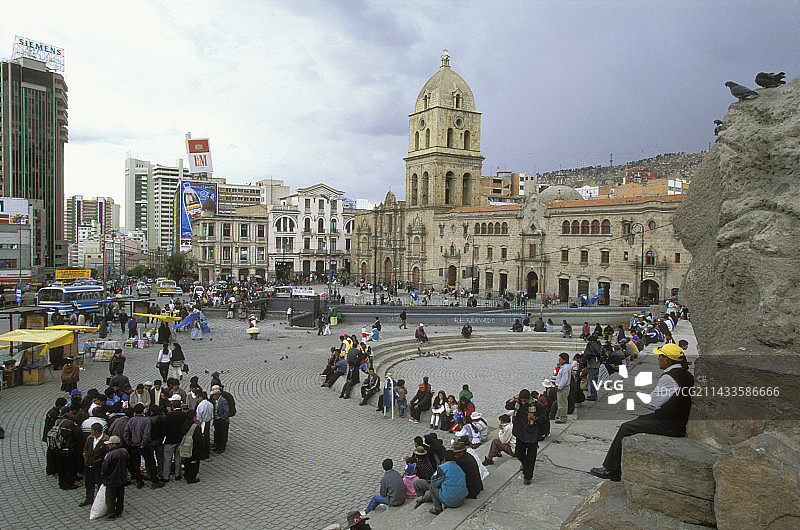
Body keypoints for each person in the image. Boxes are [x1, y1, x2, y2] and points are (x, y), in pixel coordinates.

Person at [590, 343, 695, 482]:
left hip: (669, 423)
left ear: (668, 360)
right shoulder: (685, 374)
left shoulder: (669, 377)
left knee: (626, 428)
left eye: (661, 356)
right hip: (677, 419)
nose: (658, 359)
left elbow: (653, 402)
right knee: (639, 420)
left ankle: (611, 469)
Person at [505, 389, 545, 485]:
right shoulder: (517, 403)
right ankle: (525, 465)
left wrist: (534, 418)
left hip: (532, 434)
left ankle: (528, 476)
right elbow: (507, 405)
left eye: (525, 401)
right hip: (520, 433)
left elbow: (544, 419)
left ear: (529, 399)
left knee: (531, 457)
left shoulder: (537, 405)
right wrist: (515, 397)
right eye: (522, 401)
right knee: (519, 453)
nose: (523, 403)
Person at [415, 450, 468, 515]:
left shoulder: (442, 467)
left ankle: (437, 508)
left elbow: (434, 482)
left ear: (444, 459)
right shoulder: (459, 468)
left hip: (450, 501)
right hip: (461, 500)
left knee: (432, 486)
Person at [124, 403, 163, 489]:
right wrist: (143, 444)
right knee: (151, 463)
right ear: (143, 411)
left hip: (134, 445)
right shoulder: (146, 420)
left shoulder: (131, 420)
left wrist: (129, 443)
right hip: (144, 446)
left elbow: (126, 433)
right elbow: (146, 433)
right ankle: (155, 481)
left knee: (136, 463)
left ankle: (139, 481)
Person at [79, 423, 108, 507]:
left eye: (91, 430)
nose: (90, 431)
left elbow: (106, 454)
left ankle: (100, 501)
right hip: (88, 464)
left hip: (99, 465)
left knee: (100, 483)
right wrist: (86, 458)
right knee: (89, 483)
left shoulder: (105, 440)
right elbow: (85, 449)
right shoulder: (90, 438)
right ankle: (89, 498)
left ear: (96, 431)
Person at [101, 435, 129, 519]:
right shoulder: (124, 451)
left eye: (109, 444)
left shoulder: (109, 455)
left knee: (110, 497)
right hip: (122, 478)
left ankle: (111, 514)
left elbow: (105, 468)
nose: (108, 445)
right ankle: (119, 511)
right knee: (120, 495)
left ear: (114, 444)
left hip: (111, 479)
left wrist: (104, 476)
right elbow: (128, 463)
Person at [162, 396, 185, 482]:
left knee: (167, 458)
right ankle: (177, 474)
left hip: (170, 440)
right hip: (179, 439)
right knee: (178, 457)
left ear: (172, 407)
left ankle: (166, 476)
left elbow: (165, 428)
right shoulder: (183, 415)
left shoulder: (169, 415)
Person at [182, 414, 203, 484]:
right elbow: (198, 440)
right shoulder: (196, 427)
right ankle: (192, 477)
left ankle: (186, 474)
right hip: (194, 447)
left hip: (185, 445)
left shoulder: (184, 424)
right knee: (194, 462)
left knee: (186, 460)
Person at [582, 335, 603, 401]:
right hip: (594, 365)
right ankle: (593, 394)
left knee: (592, 381)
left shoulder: (593, 347)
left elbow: (587, 354)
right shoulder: (598, 346)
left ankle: (593, 396)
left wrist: (583, 362)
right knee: (593, 381)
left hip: (593, 365)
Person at [554, 353, 572, 423]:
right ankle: (560, 415)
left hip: (563, 388)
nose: (559, 360)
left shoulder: (565, 368)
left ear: (564, 360)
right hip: (563, 387)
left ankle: (562, 417)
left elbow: (564, 379)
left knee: (562, 403)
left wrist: (559, 387)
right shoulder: (565, 367)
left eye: (560, 359)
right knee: (562, 402)